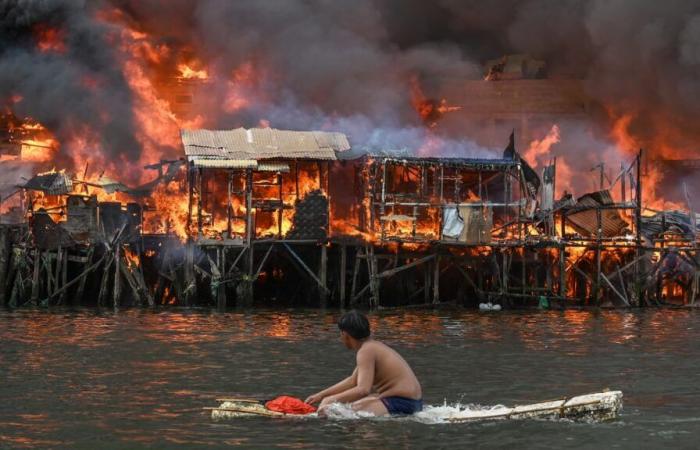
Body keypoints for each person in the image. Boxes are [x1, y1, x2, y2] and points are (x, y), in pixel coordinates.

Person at [305, 310, 423, 416]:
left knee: (337, 413)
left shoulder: (366, 351)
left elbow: (363, 390)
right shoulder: (371, 347)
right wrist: (321, 395)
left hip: (403, 402)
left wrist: (329, 400)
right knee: (348, 407)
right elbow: (353, 381)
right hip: (413, 402)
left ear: (345, 334)